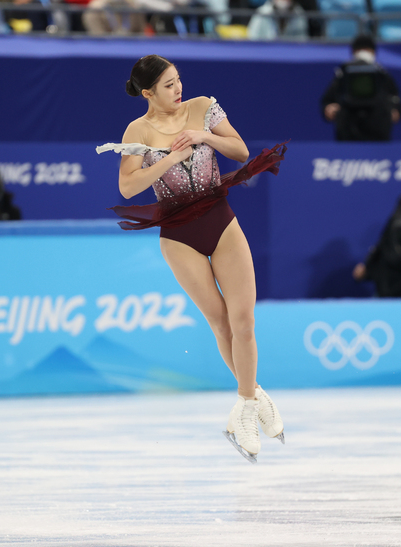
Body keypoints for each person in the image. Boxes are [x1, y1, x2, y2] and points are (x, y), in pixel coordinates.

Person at [96, 55, 286, 463]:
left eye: (178, 80)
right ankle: (253, 400)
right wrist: (166, 155)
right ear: (147, 93)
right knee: (219, 321)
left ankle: (245, 406)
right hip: (178, 233)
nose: (177, 88)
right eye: (167, 85)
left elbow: (240, 149)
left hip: (220, 220)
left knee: (244, 320)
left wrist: (204, 137)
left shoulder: (201, 106)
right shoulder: (138, 130)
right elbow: (127, 188)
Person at [320, 34, 401, 142]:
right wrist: (328, 108)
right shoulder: (343, 75)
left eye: (367, 50)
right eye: (360, 50)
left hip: (377, 130)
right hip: (349, 130)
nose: (363, 53)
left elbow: (396, 102)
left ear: (373, 53)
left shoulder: (382, 75)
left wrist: (393, 110)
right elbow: (328, 101)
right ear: (353, 52)